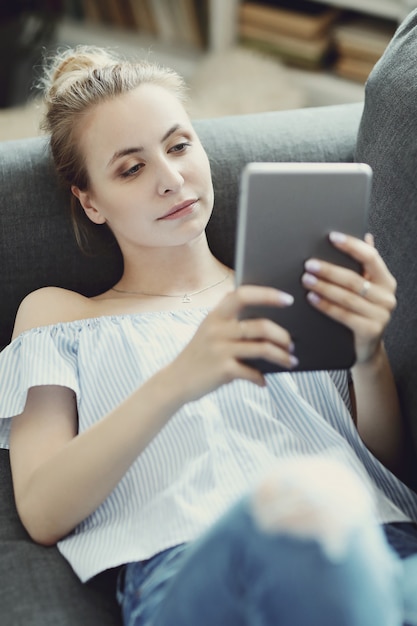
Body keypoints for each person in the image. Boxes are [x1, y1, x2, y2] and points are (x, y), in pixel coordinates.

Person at [1, 45, 417, 626]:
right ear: (90, 201)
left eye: (178, 146)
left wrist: (367, 355)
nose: (171, 180)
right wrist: (180, 378)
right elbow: (43, 509)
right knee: (312, 493)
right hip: (201, 569)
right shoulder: (60, 315)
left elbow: (384, 461)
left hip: (381, 544)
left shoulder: (293, 278)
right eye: (131, 167)